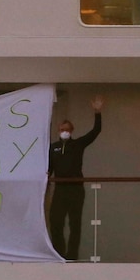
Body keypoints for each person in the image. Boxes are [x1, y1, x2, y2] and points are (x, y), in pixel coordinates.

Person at [47, 95, 104, 260]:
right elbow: (49, 168)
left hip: (76, 189)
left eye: (67, 129)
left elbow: (95, 132)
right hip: (60, 189)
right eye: (62, 129)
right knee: (56, 221)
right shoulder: (53, 148)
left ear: (71, 131)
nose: (64, 132)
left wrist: (97, 112)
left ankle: (72, 255)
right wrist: (45, 180)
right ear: (58, 131)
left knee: (74, 223)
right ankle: (59, 253)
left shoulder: (78, 144)